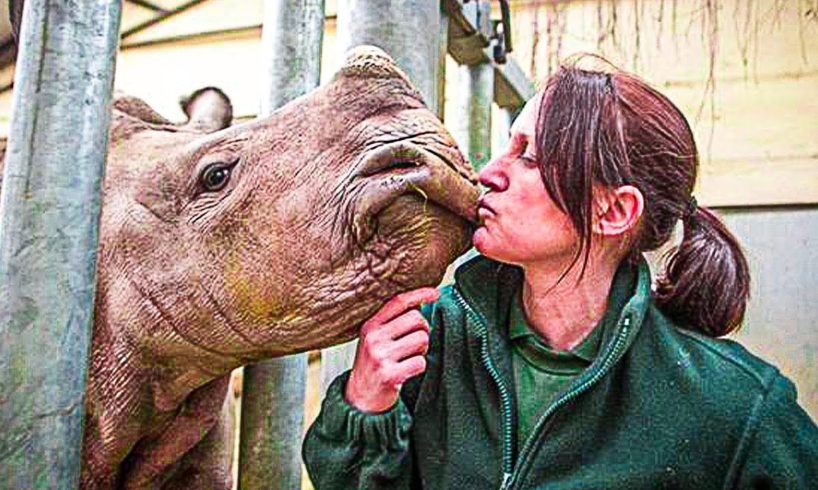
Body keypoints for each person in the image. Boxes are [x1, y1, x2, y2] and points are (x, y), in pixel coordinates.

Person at [302, 56, 818, 489]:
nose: (489, 173)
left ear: (613, 212)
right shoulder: (431, 340)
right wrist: (366, 406)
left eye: (528, 156)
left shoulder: (734, 406)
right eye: (508, 144)